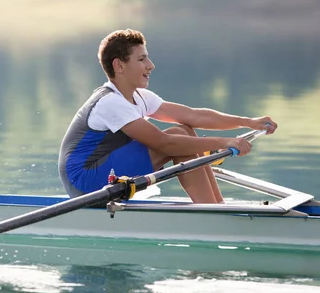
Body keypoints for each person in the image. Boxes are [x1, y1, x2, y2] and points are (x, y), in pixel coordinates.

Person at [58, 29, 277, 204]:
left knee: (184, 130)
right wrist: (225, 142)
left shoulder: (139, 96)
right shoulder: (109, 102)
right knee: (176, 138)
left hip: (105, 172)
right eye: (142, 59)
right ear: (119, 65)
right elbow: (165, 143)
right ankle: (211, 211)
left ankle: (215, 205)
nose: (150, 65)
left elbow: (194, 116)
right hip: (84, 183)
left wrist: (248, 122)